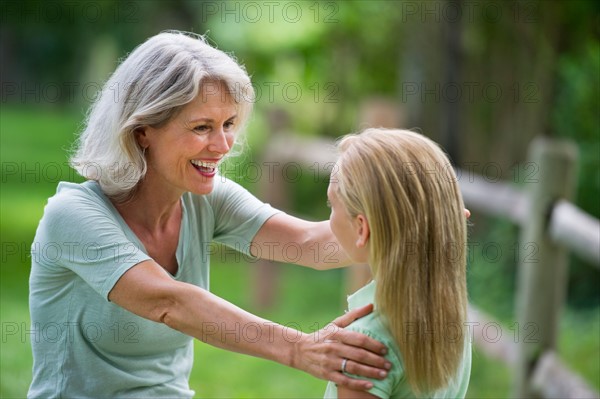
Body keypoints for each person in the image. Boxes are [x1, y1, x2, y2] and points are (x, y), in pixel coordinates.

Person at [28, 31, 392, 398]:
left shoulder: (204, 197)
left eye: (229, 124)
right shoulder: (72, 216)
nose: (222, 146)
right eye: (202, 128)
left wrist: (420, 221)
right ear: (141, 132)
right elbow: (169, 302)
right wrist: (298, 348)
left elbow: (311, 245)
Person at [323, 128, 472, 398]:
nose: (329, 218)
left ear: (361, 229)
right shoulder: (450, 318)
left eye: (331, 204)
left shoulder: (363, 345)